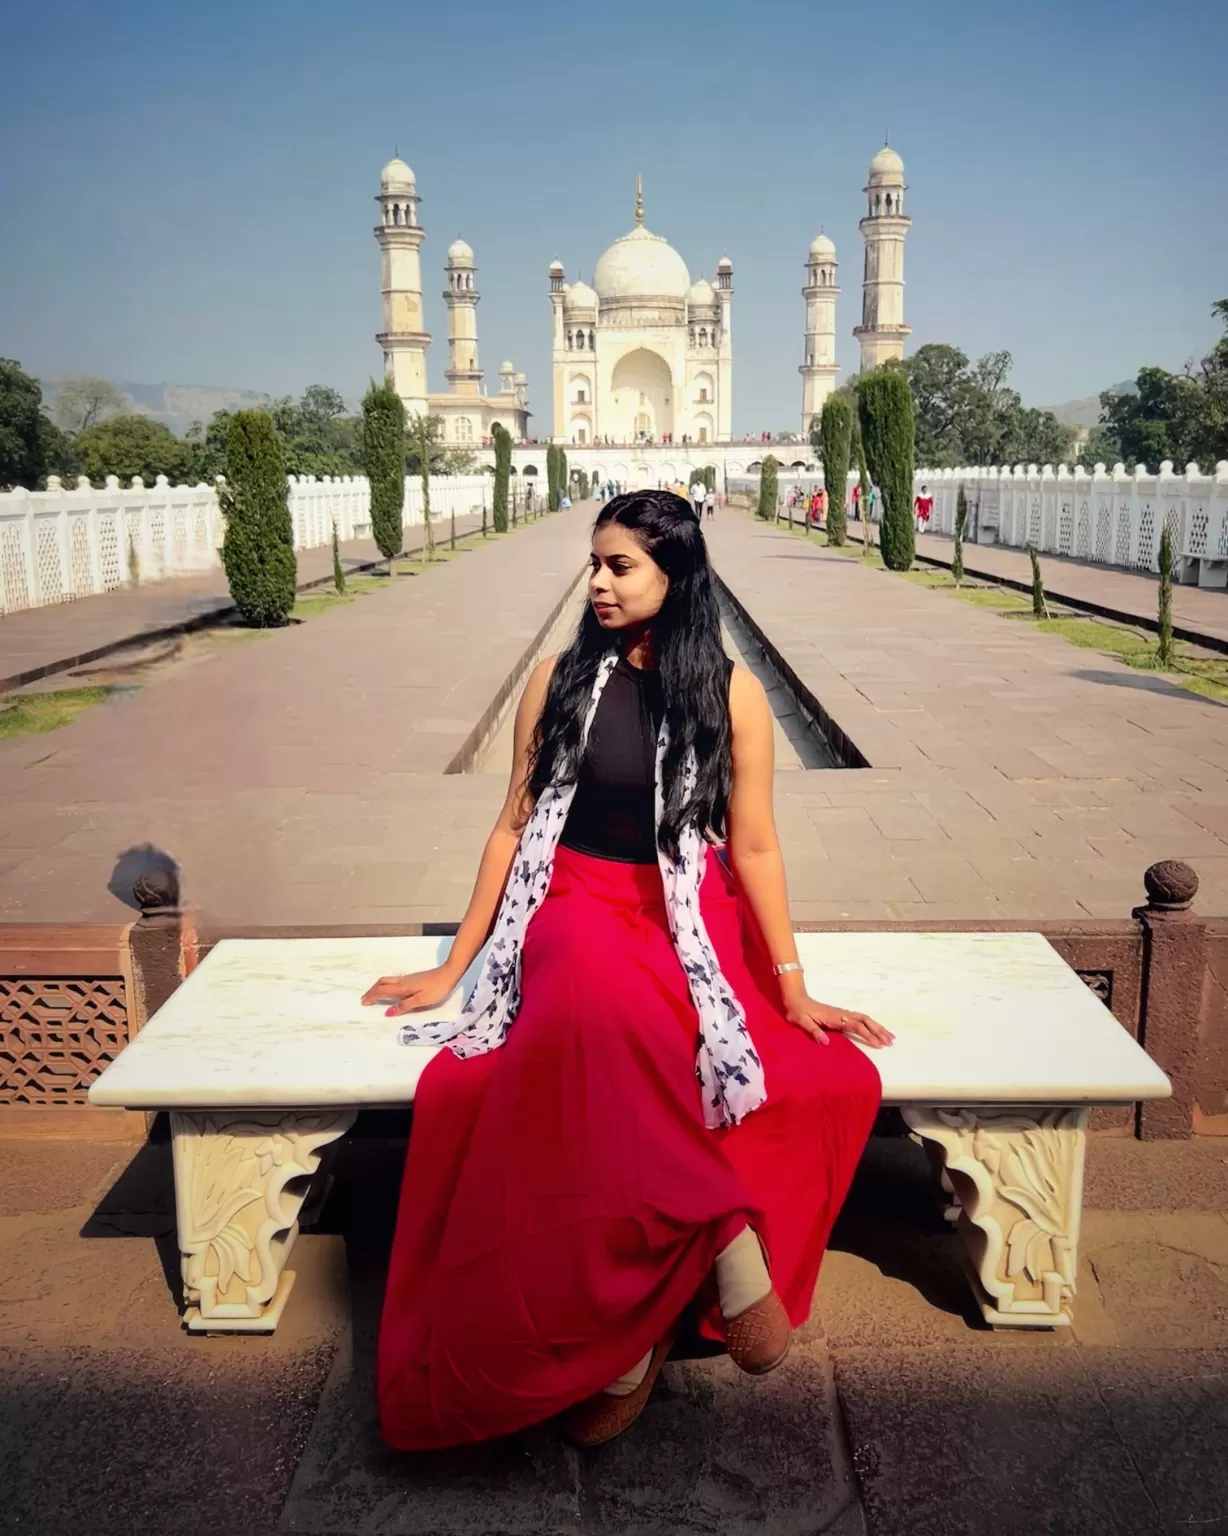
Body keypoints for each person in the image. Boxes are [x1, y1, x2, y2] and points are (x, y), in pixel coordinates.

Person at [369, 491, 889, 1453]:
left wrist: (790, 981)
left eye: (621, 567)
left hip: (690, 909)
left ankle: (634, 1339)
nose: (597, 582)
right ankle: (726, 1240)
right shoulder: (559, 679)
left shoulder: (726, 691)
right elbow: (516, 826)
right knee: (601, 1019)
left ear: (675, 578)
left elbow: (757, 847)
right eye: (595, 563)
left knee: (825, 1075)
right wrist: (457, 965)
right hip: (572, 904)